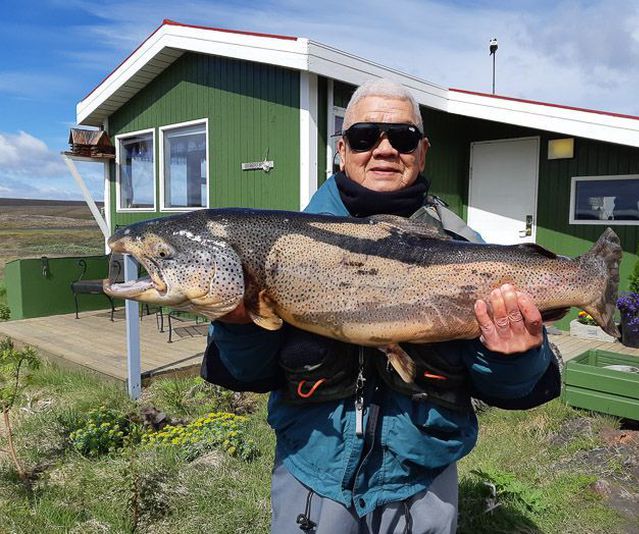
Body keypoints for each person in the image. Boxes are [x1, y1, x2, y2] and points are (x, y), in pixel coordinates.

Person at [204, 78, 560, 533]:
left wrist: (517, 357)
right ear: (342, 149)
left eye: (403, 137)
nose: (385, 149)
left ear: (423, 151)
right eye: (365, 136)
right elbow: (246, 375)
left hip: (422, 487)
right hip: (311, 479)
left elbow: (511, 388)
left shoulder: (470, 252)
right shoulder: (282, 243)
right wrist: (240, 325)